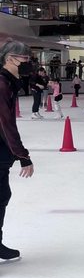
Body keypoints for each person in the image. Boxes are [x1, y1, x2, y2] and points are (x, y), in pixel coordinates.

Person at [0, 41, 35, 263]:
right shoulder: (2, 84)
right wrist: (23, 156)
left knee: (2, 196)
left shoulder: (9, 82)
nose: (28, 63)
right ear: (10, 58)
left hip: (2, 152)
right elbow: (5, 124)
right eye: (25, 59)